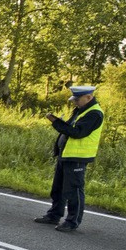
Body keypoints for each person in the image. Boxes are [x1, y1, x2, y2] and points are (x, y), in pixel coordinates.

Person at [34, 86, 104, 232]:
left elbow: (77, 133)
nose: (75, 102)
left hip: (78, 157)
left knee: (74, 191)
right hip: (66, 155)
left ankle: (72, 222)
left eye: (77, 99)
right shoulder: (81, 110)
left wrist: (55, 122)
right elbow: (70, 127)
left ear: (89, 97)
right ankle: (54, 215)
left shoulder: (94, 114)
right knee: (58, 188)